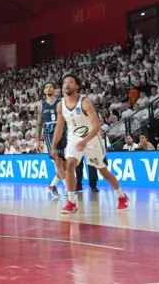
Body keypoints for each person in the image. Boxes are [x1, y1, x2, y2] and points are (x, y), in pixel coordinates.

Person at [51, 74, 128, 214]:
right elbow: (59, 127)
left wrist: (85, 141)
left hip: (91, 137)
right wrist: (53, 146)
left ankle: (121, 196)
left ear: (77, 86)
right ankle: (72, 202)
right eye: (65, 82)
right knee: (69, 165)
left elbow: (96, 126)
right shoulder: (60, 105)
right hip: (74, 137)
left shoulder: (85, 102)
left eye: (70, 82)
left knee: (102, 170)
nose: (66, 84)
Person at [36, 81, 66, 199]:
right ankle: (68, 190)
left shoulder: (61, 102)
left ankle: (52, 185)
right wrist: (38, 140)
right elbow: (39, 123)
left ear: (55, 90)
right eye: (46, 87)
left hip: (63, 132)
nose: (48, 89)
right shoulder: (41, 105)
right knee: (57, 161)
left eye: (51, 87)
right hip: (49, 134)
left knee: (65, 166)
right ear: (44, 91)